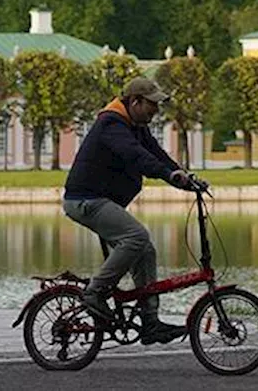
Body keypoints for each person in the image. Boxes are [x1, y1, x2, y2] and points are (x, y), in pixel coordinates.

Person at [63, 76, 198, 345]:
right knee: (136, 236)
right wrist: (169, 176)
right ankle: (95, 292)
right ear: (135, 102)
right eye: (151, 105)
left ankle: (150, 323)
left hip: (101, 200)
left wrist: (182, 176)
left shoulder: (134, 124)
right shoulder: (112, 124)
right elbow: (136, 156)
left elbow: (156, 153)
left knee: (145, 249)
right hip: (86, 200)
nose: (155, 111)